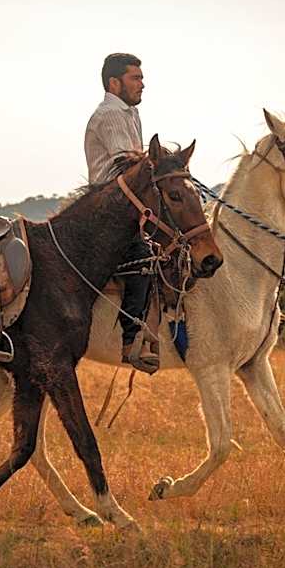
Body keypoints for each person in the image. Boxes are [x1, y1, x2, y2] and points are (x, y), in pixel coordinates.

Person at [84, 53, 158, 373]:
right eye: (135, 78)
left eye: (141, 78)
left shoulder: (130, 113)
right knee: (141, 259)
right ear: (114, 83)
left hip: (126, 203)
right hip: (109, 208)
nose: (142, 84)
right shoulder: (111, 114)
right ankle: (131, 340)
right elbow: (127, 164)